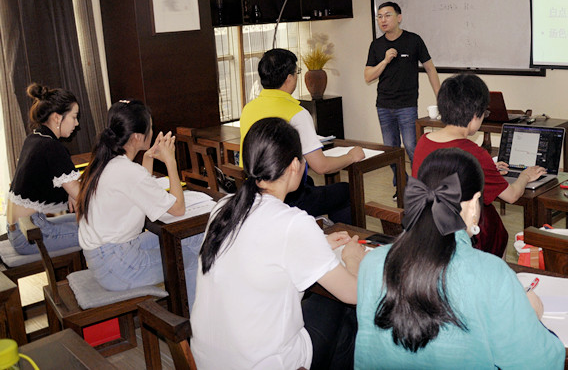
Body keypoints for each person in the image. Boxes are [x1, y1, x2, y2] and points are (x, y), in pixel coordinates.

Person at [355, 148, 565, 369]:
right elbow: (542, 364)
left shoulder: (372, 264)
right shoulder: (492, 273)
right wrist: (531, 316)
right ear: (474, 204)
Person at [192, 117, 366, 369]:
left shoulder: (223, 208)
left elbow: (258, 251)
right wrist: (353, 259)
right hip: (263, 363)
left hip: (211, 359)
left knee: (338, 334)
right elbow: (354, 294)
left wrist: (319, 244)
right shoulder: (293, 223)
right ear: (295, 165)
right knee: (344, 311)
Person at [76, 100, 203, 305]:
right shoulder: (126, 170)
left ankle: (189, 313)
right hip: (118, 265)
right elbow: (178, 209)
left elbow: (137, 190)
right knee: (190, 254)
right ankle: (188, 322)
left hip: (106, 256)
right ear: (137, 136)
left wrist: (149, 157)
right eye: (150, 127)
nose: (153, 131)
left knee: (192, 239)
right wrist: (171, 161)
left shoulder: (107, 160)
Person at [412, 73, 545, 257]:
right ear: (475, 116)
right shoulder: (475, 153)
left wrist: (486, 168)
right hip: (463, 236)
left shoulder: (423, 141)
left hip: (427, 226)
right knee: (494, 223)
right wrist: (525, 176)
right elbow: (512, 196)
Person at [240, 48, 364, 224]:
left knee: (311, 182)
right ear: (289, 78)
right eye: (296, 72)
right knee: (345, 191)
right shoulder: (297, 113)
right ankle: (346, 239)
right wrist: (351, 156)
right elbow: (322, 166)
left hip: (255, 192)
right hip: (286, 196)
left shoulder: (248, 108)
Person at [364, 1, 440, 187]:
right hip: (383, 105)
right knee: (390, 151)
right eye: (379, 16)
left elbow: (430, 69)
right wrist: (384, 61)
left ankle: (419, 187)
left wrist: (441, 97)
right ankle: (402, 185)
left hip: (407, 105)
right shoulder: (376, 45)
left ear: (399, 18)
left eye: (387, 15)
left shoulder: (413, 40)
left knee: (412, 148)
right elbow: (368, 76)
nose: (383, 20)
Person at [6, 83, 81, 255]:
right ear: (57, 117)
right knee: (103, 232)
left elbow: (70, 190)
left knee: (88, 223)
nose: (76, 124)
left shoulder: (34, 138)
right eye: (74, 117)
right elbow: (83, 196)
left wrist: (72, 192)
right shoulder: (52, 147)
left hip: (19, 229)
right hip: (31, 235)